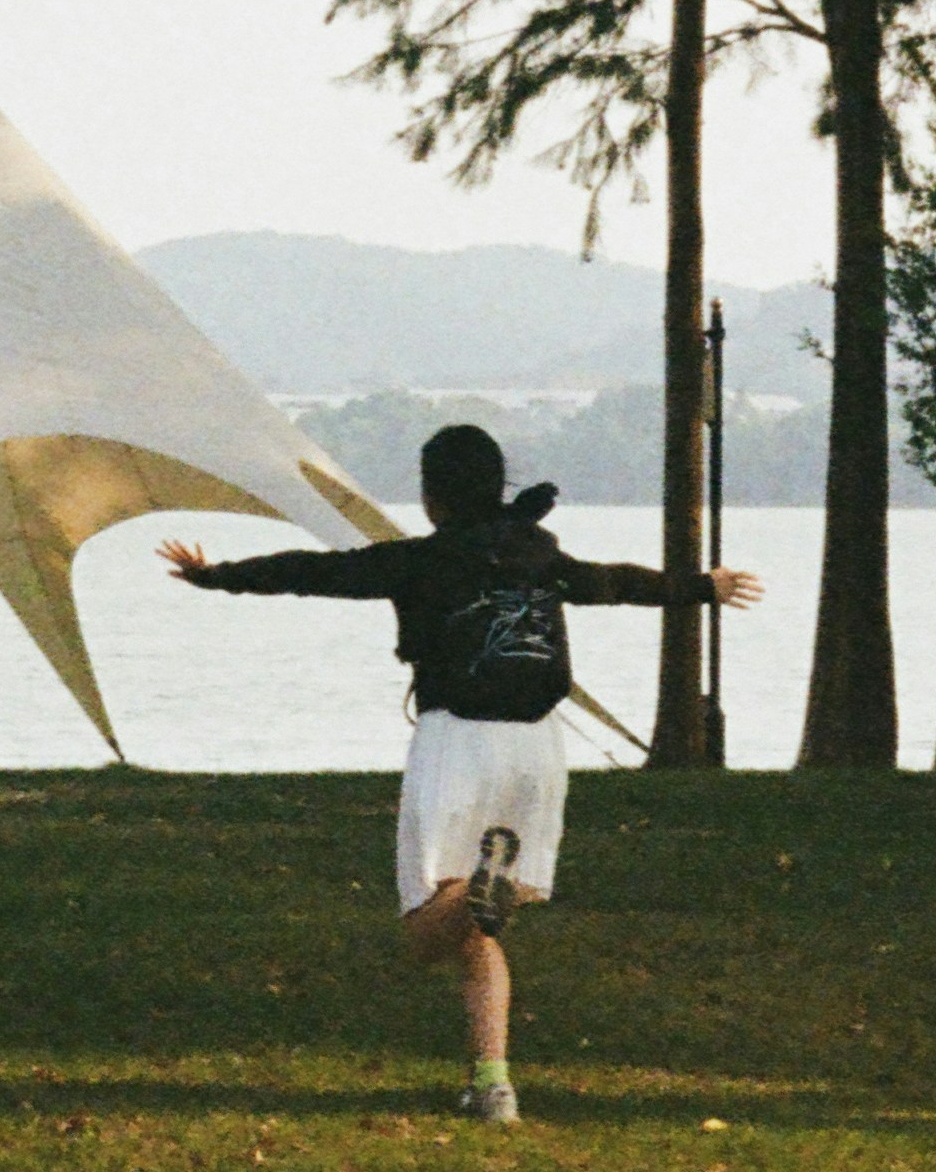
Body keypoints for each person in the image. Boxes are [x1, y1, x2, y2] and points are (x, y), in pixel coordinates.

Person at [162, 420, 762, 1123]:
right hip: (538, 753)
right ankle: (493, 1084)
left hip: (458, 745)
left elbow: (314, 573)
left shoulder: (420, 560)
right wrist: (701, 586)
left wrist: (217, 576)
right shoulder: (540, 554)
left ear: (432, 494)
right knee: (479, 933)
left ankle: (482, 887)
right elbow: (612, 583)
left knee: (428, 929)